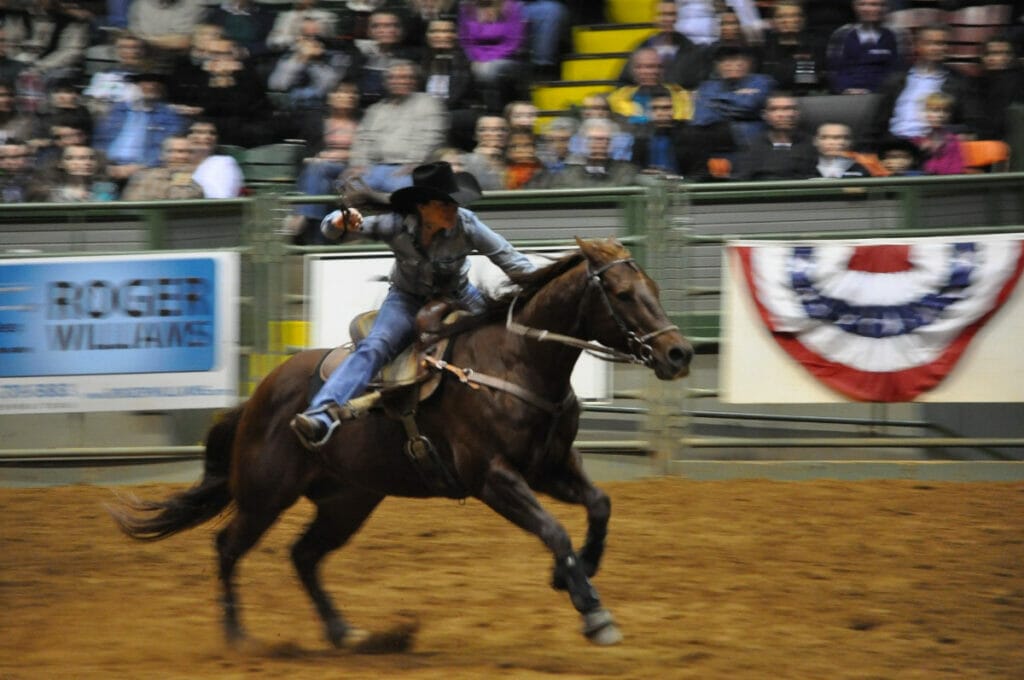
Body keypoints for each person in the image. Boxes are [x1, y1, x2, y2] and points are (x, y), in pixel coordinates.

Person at [289, 161, 537, 449]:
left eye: (454, 203)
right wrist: (337, 221)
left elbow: (509, 258)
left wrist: (539, 284)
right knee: (376, 345)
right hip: (406, 299)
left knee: (503, 337)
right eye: (443, 204)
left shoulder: (466, 223)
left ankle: (524, 413)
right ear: (422, 207)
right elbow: (332, 231)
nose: (452, 209)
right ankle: (321, 414)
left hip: (459, 295)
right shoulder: (393, 225)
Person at [863, 24, 980, 152]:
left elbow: (971, 125)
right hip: (894, 146)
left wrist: (943, 135)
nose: (938, 48)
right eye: (931, 43)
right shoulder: (895, 80)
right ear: (917, 46)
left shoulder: (960, 82)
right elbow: (877, 124)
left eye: (942, 43)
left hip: (934, 148)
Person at [346, 60, 447, 192]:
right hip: (374, 168)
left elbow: (432, 137)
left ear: (414, 81)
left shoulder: (428, 104)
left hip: (410, 167)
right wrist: (359, 165)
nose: (400, 81)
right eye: (393, 78)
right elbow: (362, 140)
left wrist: (415, 163)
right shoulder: (375, 110)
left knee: (400, 193)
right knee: (349, 188)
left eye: (405, 77)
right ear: (385, 82)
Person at [93, 71, 187, 183]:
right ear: (133, 86)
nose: (151, 85)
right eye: (144, 81)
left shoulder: (170, 116)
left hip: (148, 172)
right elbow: (100, 141)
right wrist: (106, 166)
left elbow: (168, 149)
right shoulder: (115, 111)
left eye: (155, 82)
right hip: (109, 169)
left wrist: (141, 167)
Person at [458, 0, 527, 112]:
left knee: (489, 70)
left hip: (506, 58)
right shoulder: (466, 8)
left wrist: (488, 60)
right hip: (476, 60)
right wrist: (475, 59)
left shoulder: (511, 7)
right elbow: (465, 41)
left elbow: (513, 42)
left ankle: (494, 112)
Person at [731, 90, 816, 180]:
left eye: (788, 109)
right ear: (765, 115)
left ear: (796, 113)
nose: (782, 114)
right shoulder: (752, 146)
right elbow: (741, 180)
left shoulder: (812, 144)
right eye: (774, 109)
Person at [826, 0, 901, 94]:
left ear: (885, 7)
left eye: (874, 4)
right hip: (846, 96)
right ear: (854, 7)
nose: (867, 9)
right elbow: (834, 70)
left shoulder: (896, 35)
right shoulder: (842, 34)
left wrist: (874, 91)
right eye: (862, 4)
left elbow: (897, 72)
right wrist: (845, 90)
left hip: (883, 97)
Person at [607, 47, 693, 127]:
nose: (653, 71)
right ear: (634, 70)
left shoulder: (681, 96)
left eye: (658, 67)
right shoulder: (617, 98)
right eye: (647, 66)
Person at [547, 118, 639, 188]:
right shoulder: (567, 175)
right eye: (593, 139)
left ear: (611, 144)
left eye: (604, 139)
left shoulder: (626, 172)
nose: (599, 144)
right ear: (583, 143)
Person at [760, 0, 827, 96]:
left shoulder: (816, 44)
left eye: (794, 15)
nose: (788, 20)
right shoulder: (764, 46)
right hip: (772, 98)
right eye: (781, 17)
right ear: (772, 21)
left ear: (802, 20)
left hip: (808, 97)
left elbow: (808, 80)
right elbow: (764, 80)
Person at [971, 36, 1024, 141]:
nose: (1002, 58)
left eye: (1006, 54)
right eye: (995, 53)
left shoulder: (1018, 81)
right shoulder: (975, 84)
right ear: (984, 58)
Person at [120, 134, 204, 200]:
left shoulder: (196, 185)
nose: (181, 156)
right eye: (174, 151)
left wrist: (182, 175)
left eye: (187, 152)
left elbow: (183, 202)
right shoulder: (144, 177)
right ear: (162, 155)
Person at [188, 118, 244, 198]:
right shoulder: (179, 164)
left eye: (212, 133)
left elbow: (221, 197)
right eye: (199, 132)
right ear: (187, 137)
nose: (207, 136)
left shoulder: (223, 163)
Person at [912, 91, 965, 175]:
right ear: (925, 113)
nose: (941, 115)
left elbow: (956, 170)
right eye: (935, 110)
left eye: (946, 111)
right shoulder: (915, 140)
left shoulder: (953, 141)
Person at [48, 143, 118, 202]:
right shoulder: (54, 192)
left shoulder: (107, 189)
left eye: (91, 158)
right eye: (71, 158)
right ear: (60, 163)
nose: (87, 162)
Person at [460, 113, 508, 190]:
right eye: (484, 130)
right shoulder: (462, 161)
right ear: (475, 135)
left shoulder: (515, 158)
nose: (496, 133)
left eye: (502, 129)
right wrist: (480, 160)